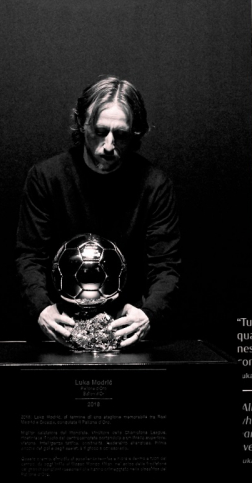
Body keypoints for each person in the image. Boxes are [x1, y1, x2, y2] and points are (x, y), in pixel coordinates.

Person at [16, 76, 181, 347]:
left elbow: (166, 266)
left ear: (135, 132)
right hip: (60, 333)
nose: (109, 145)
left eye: (121, 135)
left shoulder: (154, 185)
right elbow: (30, 256)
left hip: (126, 335)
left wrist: (149, 314)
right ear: (82, 124)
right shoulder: (46, 178)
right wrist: (41, 309)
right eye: (100, 131)